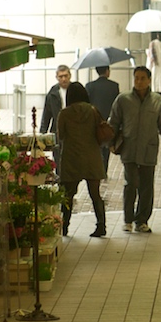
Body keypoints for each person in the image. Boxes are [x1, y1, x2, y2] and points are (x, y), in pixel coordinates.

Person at [108, 66, 161, 234]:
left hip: (148, 149)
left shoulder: (157, 101)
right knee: (131, 183)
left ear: (149, 80)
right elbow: (113, 122)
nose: (139, 82)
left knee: (146, 186)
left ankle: (142, 220)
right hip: (129, 149)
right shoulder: (123, 100)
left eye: (142, 78)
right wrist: (110, 142)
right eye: (136, 78)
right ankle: (128, 220)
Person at [57, 83, 107, 238]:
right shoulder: (93, 111)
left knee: (68, 195)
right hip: (92, 157)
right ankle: (101, 225)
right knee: (95, 194)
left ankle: (64, 226)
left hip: (71, 158)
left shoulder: (64, 114)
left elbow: (61, 135)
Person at [85, 66, 121, 173]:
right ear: (107, 71)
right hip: (109, 120)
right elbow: (117, 104)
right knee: (106, 145)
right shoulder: (114, 86)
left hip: (94, 120)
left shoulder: (89, 86)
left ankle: (96, 169)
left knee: (95, 145)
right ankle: (104, 169)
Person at [40, 65, 71, 175]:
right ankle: (60, 180)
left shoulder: (75, 90)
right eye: (61, 76)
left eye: (66, 76)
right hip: (57, 131)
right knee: (58, 158)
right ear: (57, 77)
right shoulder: (52, 93)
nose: (64, 79)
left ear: (70, 75)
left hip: (73, 130)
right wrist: (42, 135)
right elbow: (46, 114)